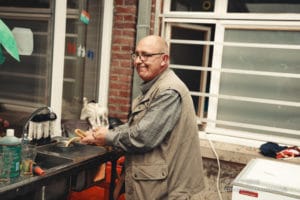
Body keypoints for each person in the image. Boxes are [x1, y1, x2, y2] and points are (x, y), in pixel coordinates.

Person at [81, 35, 205, 200]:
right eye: (136, 55)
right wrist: (102, 133)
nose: (139, 61)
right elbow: (136, 125)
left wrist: (108, 137)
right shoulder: (155, 87)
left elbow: (144, 136)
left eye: (146, 55)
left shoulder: (168, 91)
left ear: (164, 59)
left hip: (168, 190)